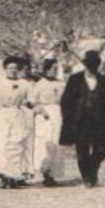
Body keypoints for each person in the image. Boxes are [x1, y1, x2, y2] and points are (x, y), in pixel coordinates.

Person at [60, 50, 105, 188]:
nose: (91, 68)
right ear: (85, 65)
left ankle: (93, 169)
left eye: (94, 65)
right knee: (82, 151)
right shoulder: (75, 79)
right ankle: (87, 177)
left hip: (100, 122)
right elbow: (67, 100)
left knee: (101, 150)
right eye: (89, 65)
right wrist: (68, 119)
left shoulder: (104, 81)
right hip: (80, 121)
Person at [0, 55, 36, 188]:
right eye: (9, 68)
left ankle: (14, 176)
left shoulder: (25, 84)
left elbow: (32, 100)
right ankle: (3, 175)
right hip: (3, 116)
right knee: (1, 144)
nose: (12, 71)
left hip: (18, 115)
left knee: (17, 144)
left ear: (19, 70)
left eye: (15, 68)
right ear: (5, 69)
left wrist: (29, 103)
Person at [29, 57, 67, 186]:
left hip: (58, 114)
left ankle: (52, 173)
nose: (54, 71)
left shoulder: (61, 84)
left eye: (56, 69)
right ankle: (44, 171)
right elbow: (31, 101)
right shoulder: (40, 84)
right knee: (44, 143)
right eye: (52, 68)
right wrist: (40, 110)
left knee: (57, 143)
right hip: (44, 116)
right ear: (46, 69)